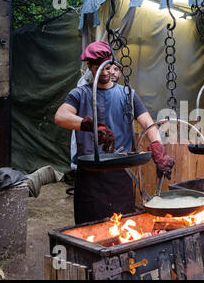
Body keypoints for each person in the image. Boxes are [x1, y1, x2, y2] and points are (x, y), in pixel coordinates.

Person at [54, 41, 174, 224]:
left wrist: (157, 145)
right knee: (89, 227)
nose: (104, 72)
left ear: (113, 66)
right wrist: (90, 125)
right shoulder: (80, 94)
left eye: (108, 67)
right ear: (90, 67)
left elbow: (148, 123)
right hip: (89, 173)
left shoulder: (127, 94)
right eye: (98, 68)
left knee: (123, 225)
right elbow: (61, 116)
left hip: (120, 172)